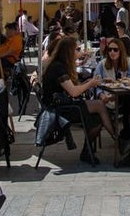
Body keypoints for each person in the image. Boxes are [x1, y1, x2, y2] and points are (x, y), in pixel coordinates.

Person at [41, 36, 113, 164]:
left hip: (62, 105)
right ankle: (115, 138)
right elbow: (74, 92)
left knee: (97, 117)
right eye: (77, 49)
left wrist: (86, 83)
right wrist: (90, 84)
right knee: (100, 106)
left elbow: (72, 89)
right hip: (60, 110)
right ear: (69, 51)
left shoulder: (59, 65)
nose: (79, 51)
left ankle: (88, 150)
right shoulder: (58, 68)